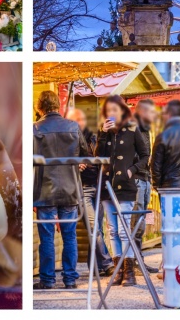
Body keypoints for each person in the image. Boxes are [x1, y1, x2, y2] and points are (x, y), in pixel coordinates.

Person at [33, 91, 85, 290]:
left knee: (46, 237)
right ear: (57, 105)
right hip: (70, 188)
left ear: (40, 107)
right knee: (69, 236)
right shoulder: (73, 127)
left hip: (44, 190)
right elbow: (85, 154)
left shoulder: (35, 129)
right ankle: (70, 279)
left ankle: (47, 280)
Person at [96, 95, 150, 287]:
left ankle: (130, 272)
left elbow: (145, 155)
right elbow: (98, 156)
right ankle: (118, 270)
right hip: (106, 186)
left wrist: (132, 170)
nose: (112, 113)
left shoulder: (133, 129)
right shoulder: (104, 131)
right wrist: (103, 134)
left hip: (125, 186)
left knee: (125, 230)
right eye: (109, 110)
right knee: (112, 230)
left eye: (115, 110)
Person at [66, 108, 114, 277]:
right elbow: (63, 162)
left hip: (98, 186)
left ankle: (94, 265)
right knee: (94, 227)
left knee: (96, 228)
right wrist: (75, 165)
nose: (79, 122)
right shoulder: (69, 139)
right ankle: (108, 263)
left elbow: (101, 155)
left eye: (81, 119)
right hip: (83, 187)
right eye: (75, 119)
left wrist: (103, 133)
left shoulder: (94, 137)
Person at [132, 99, 157, 271]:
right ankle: (133, 261)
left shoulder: (146, 129)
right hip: (135, 179)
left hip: (145, 178)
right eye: (150, 112)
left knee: (141, 219)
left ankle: (138, 259)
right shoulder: (132, 127)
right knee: (136, 220)